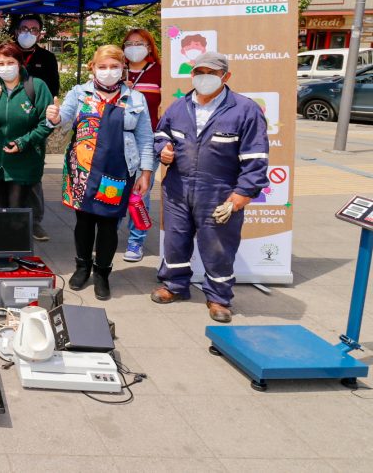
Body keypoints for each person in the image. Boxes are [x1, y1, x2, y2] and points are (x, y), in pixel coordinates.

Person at [151, 51, 269, 323]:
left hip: (219, 191)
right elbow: (161, 134)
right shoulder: (179, 107)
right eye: (199, 72)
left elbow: (256, 157)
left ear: (225, 76)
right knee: (175, 241)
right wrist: (163, 150)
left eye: (212, 73)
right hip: (178, 188)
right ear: (192, 75)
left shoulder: (244, 109)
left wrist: (241, 195)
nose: (204, 78)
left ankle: (218, 297)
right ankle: (175, 286)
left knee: (218, 246)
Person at [46, 45, 154, 301]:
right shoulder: (79, 93)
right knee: (84, 221)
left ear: (122, 68)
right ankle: (82, 267)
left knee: (108, 224)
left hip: (118, 168)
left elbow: (145, 137)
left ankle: (103, 273)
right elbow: (63, 120)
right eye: (102, 67)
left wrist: (146, 172)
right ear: (93, 67)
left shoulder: (135, 98)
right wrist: (53, 117)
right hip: (82, 168)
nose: (108, 72)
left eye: (114, 67)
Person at [0, 13, 59, 241]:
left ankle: (27, 229)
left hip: (27, 145)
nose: (6, 66)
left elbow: (48, 112)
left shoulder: (43, 67)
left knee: (23, 196)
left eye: (34, 29)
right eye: (1, 63)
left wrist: (47, 118)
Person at [121, 28, 163, 262]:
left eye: (140, 43)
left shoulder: (159, 72)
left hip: (148, 138)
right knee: (114, 188)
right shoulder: (117, 70)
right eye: (129, 43)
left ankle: (136, 241)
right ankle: (109, 230)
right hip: (118, 139)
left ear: (149, 46)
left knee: (140, 190)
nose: (134, 47)